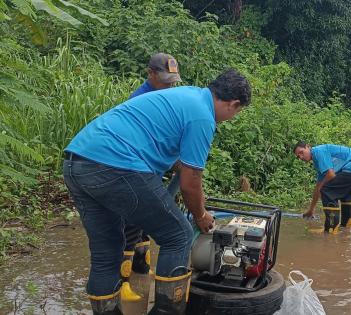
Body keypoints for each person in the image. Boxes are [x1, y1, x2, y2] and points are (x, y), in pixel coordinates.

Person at [63, 69, 251, 315]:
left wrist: (179, 170)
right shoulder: (203, 117)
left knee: (107, 250)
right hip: (116, 164)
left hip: (77, 162)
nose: (232, 117)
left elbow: (173, 160)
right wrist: (201, 216)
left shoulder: (187, 96)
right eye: (237, 112)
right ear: (234, 104)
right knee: (178, 235)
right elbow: (190, 182)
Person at [120, 53, 182, 302]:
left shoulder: (164, 98)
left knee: (142, 230)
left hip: (152, 173)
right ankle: (123, 284)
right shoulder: (139, 101)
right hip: (133, 173)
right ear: (151, 74)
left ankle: (141, 272)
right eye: (165, 80)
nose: (169, 85)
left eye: (172, 81)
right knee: (128, 228)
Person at [294, 142, 351, 233]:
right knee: (345, 193)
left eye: (301, 152)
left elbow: (330, 175)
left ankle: (330, 230)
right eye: (298, 156)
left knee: (327, 190)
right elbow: (318, 187)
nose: (301, 157)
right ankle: (346, 226)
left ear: (308, 147)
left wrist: (322, 188)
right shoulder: (318, 162)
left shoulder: (318, 151)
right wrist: (311, 210)